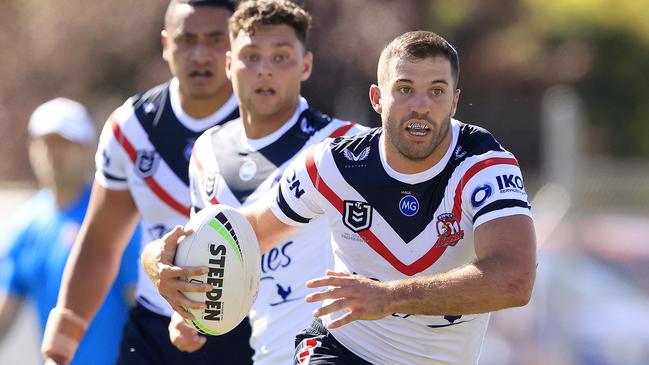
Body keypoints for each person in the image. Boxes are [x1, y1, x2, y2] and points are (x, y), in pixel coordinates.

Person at [150, 30, 537, 364]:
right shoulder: (333, 165)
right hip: (343, 349)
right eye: (404, 89)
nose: (420, 106)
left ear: (454, 101)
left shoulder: (484, 164)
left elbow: (514, 281)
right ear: (377, 98)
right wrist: (167, 266)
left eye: (436, 91)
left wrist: (389, 297)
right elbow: (247, 231)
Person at [140, 1, 365, 364]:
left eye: (280, 57)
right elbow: (210, 255)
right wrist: (186, 313)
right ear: (229, 64)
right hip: (267, 354)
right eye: (251, 56)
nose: (264, 71)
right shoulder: (206, 151)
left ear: (305, 65)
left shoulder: (347, 146)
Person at [40, 1, 254, 365]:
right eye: (187, 40)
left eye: (215, 39)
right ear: (166, 43)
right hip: (155, 331)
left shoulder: (270, 124)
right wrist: (59, 349)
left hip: (252, 330)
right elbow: (100, 244)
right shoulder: (132, 127)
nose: (200, 54)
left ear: (236, 44)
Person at [0, 98, 140, 365]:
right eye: (46, 142)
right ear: (31, 148)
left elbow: (140, 305)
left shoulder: (110, 217)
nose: (54, 153)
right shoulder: (24, 224)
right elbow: (6, 308)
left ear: (87, 150)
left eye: (65, 143)